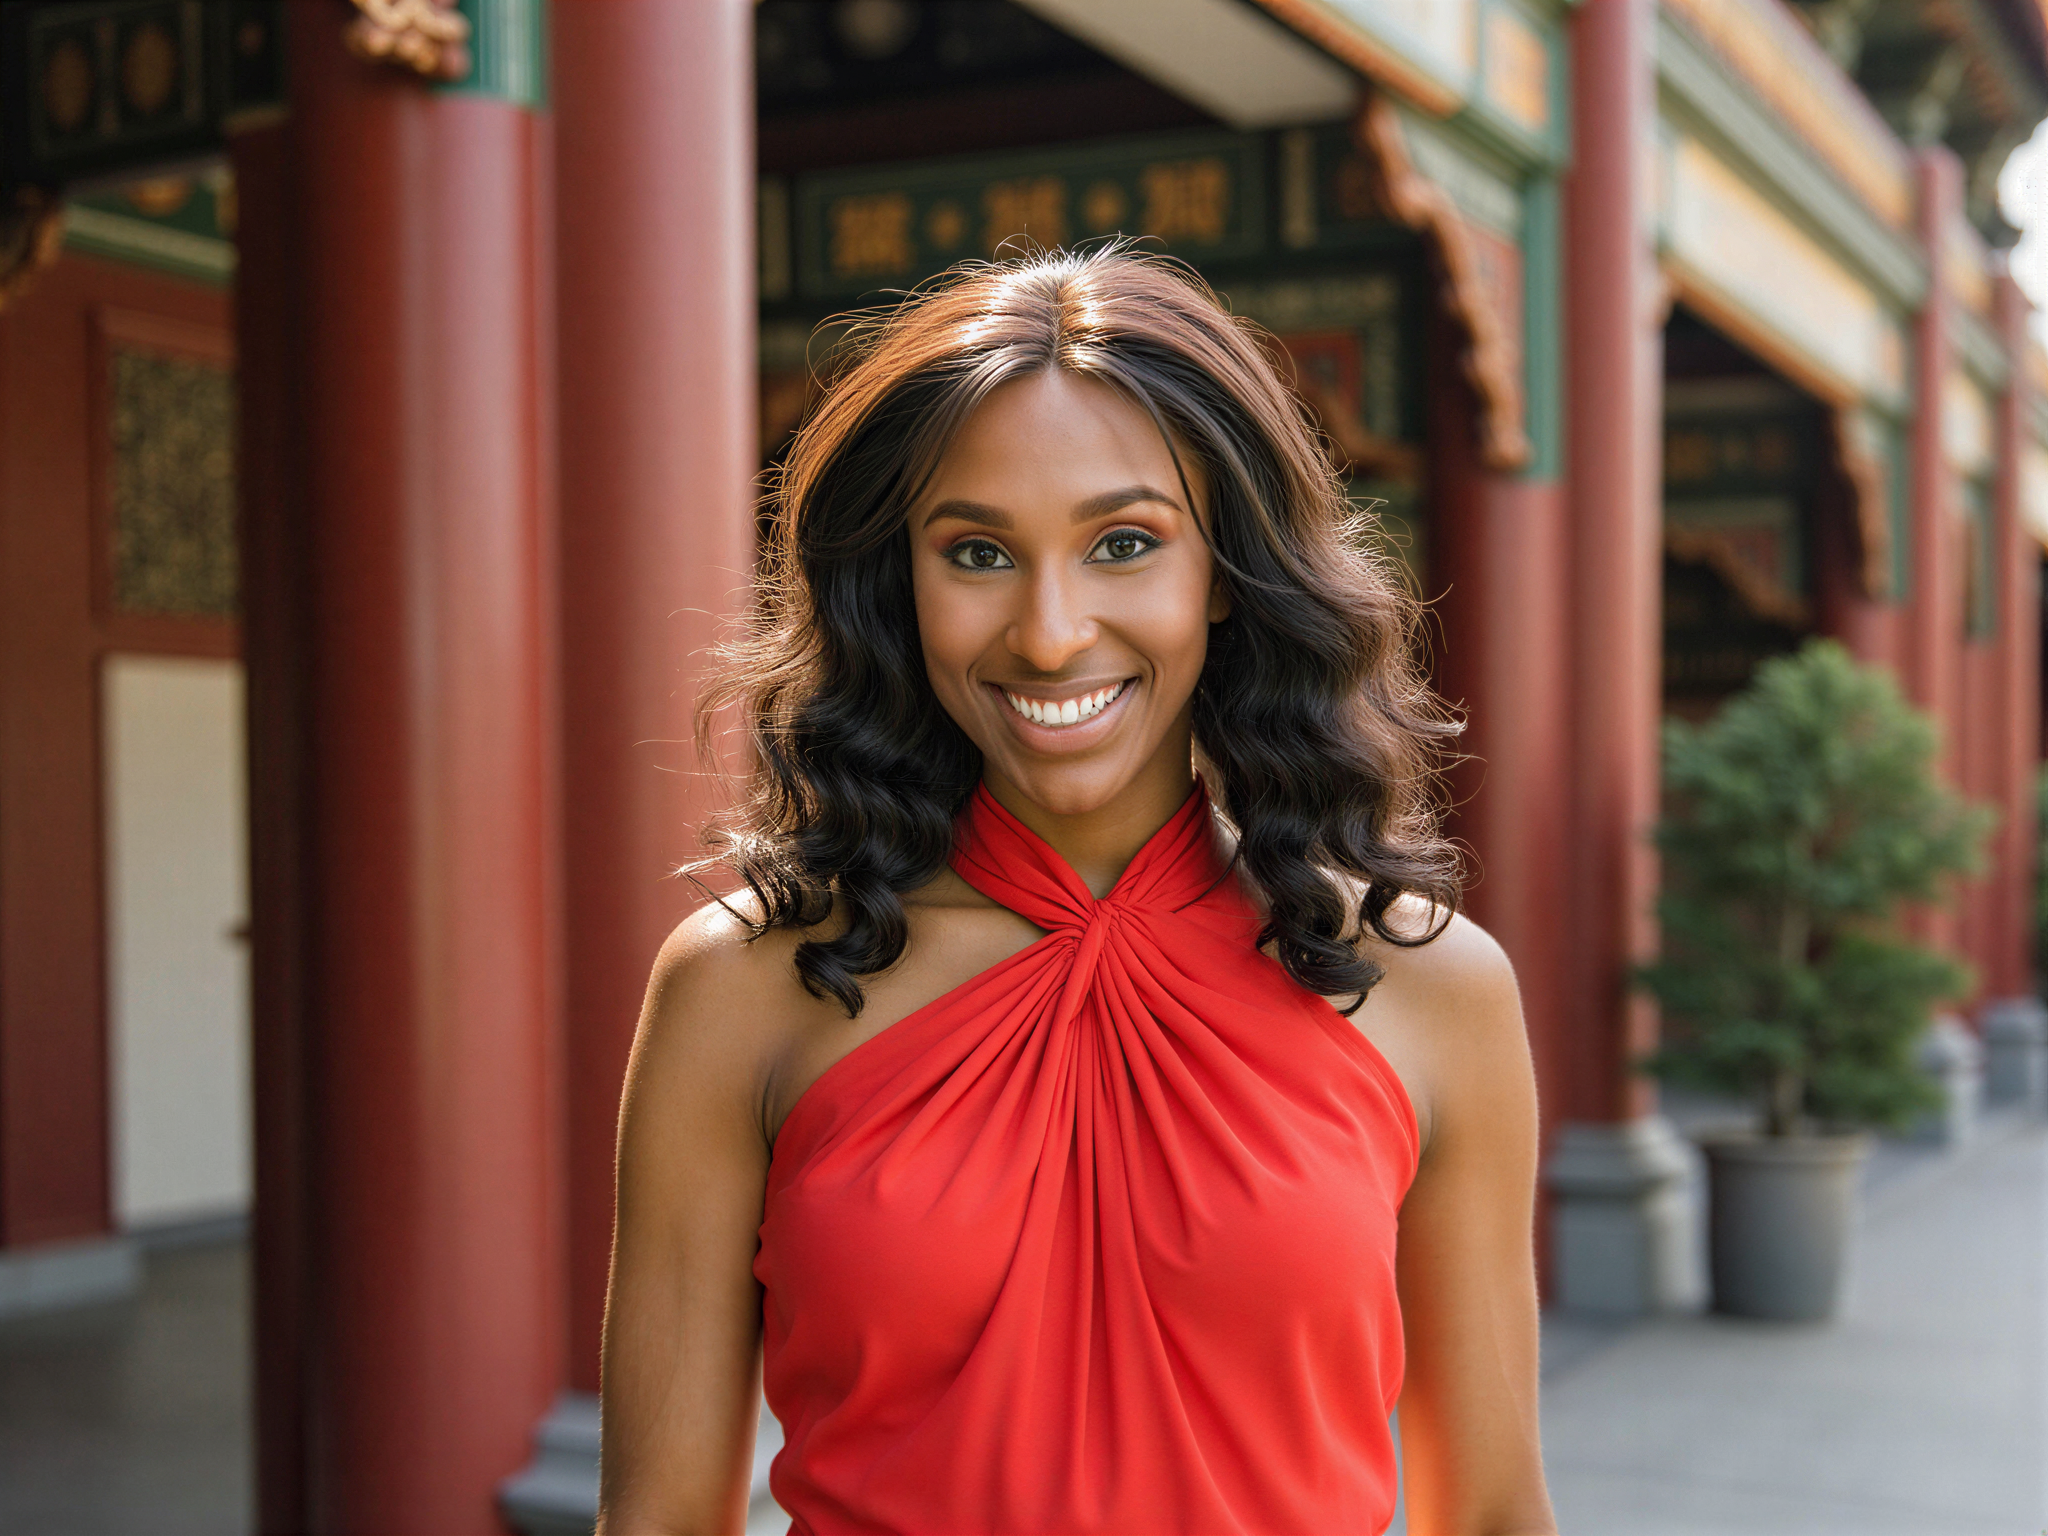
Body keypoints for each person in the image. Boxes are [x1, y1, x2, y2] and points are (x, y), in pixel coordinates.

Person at [597, 247, 1555, 1536]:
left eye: (1123, 544)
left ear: (1225, 573)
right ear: (900, 585)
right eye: (977, 552)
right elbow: (655, 1523)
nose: (1049, 632)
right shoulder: (743, 987)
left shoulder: (1433, 989)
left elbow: (1491, 1513)